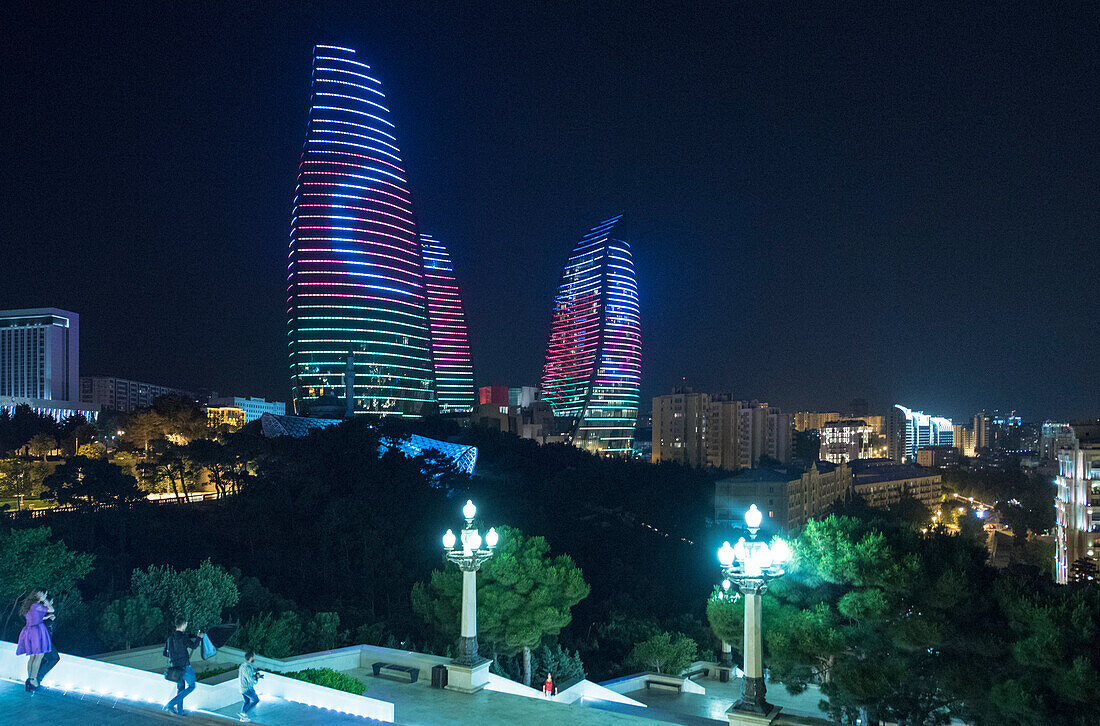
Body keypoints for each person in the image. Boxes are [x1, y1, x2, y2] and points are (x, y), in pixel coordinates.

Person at [15, 587, 54, 693]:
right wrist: (46, 601)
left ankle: (30, 680)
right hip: (37, 631)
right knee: (38, 657)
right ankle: (33, 681)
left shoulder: (31, 605)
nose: (45, 597)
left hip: (30, 631)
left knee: (33, 657)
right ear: (39, 594)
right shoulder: (37, 605)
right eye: (44, 594)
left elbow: (35, 617)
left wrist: (45, 618)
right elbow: (51, 609)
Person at [164, 618, 204, 715]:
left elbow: (165, 653)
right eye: (186, 624)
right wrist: (199, 637)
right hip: (184, 666)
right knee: (192, 686)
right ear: (183, 625)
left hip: (174, 667)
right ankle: (170, 704)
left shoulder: (169, 638)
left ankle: (180, 711)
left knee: (181, 688)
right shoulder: (183, 637)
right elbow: (194, 646)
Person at [237, 650, 262, 722]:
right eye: (254, 657)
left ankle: (243, 718)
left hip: (242, 688)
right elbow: (250, 680)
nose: (254, 658)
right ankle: (243, 713)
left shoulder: (242, 665)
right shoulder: (247, 667)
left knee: (247, 701)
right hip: (247, 688)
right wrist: (256, 678)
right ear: (251, 657)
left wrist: (254, 675)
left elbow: (247, 676)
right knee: (256, 700)